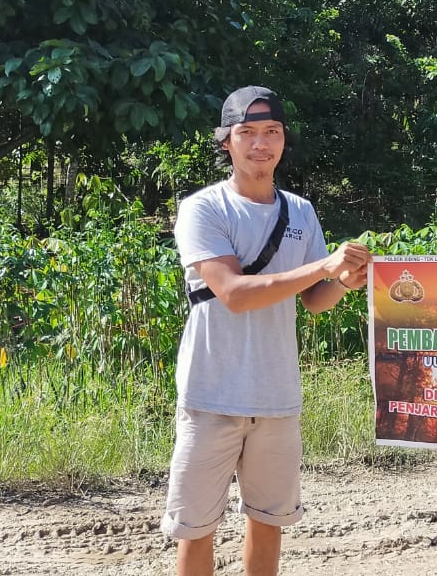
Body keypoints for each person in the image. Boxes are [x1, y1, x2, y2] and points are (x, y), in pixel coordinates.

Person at [161, 85, 371, 576]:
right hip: (211, 395)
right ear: (226, 141)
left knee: (269, 519)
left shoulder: (301, 211)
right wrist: (324, 266)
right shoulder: (203, 209)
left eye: (272, 131)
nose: (261, 143)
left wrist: (344, 281)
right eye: (248, 132)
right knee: (196, 527)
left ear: (283, 139)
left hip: (277, 398)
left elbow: (315, 301)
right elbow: (234, 293)